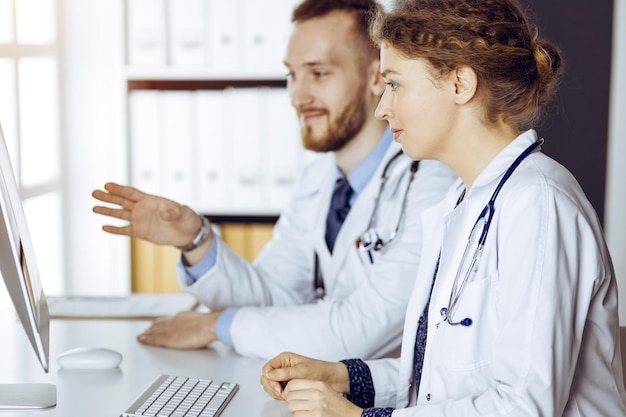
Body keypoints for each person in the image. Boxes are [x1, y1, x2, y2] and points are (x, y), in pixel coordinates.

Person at [260, 0, 626, 415]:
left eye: (395, 84)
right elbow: (435, 382)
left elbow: (524, 407)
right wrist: (340, 376)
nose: (383, 108)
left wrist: (356, 416)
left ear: (459, 85)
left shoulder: (539, 204)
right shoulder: (461, 201)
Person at [91, 0, 455, 361]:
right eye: (292, 75)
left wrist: (215, 325)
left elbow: (362, 328)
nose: (298, 96)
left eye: (319, 73)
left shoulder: (434, 180)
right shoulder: (318, 180)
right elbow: (271, 296)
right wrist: (195, 240)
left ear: (377, 78)